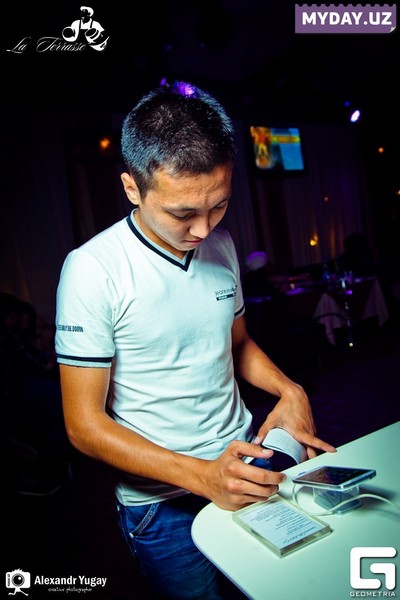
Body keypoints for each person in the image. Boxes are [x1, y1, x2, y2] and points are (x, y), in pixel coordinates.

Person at [55, 81, 336, 599]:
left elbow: (237, 344)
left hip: (246, 466)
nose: (204, 230)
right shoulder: (92, 269)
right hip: (162, 503)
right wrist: (202, 476)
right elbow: (83, 426)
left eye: (219, 206)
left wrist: (289, 389)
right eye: (183, 214)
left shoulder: (221, 245)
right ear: (132, 188)